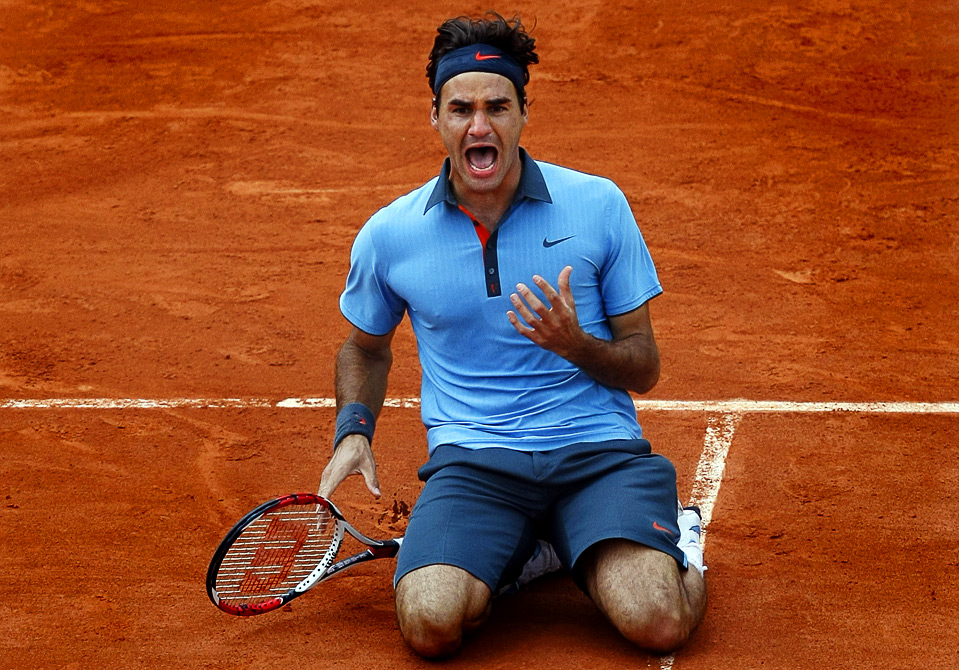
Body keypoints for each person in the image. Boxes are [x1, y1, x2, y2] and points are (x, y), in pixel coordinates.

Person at [317, 12, 707, 659]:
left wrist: (576, 345)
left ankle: (677, 541)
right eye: (460, 108)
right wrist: (353, 430)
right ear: (435, 118)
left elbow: (643, 366)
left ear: (522, 113)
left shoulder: (597, 206)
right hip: (474, 466)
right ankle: (534, 547)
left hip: (596, 456)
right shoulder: (391, 235)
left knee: (656, 621)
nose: (479, 126)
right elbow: (364, 345)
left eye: (497, 106)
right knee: (428, 623)